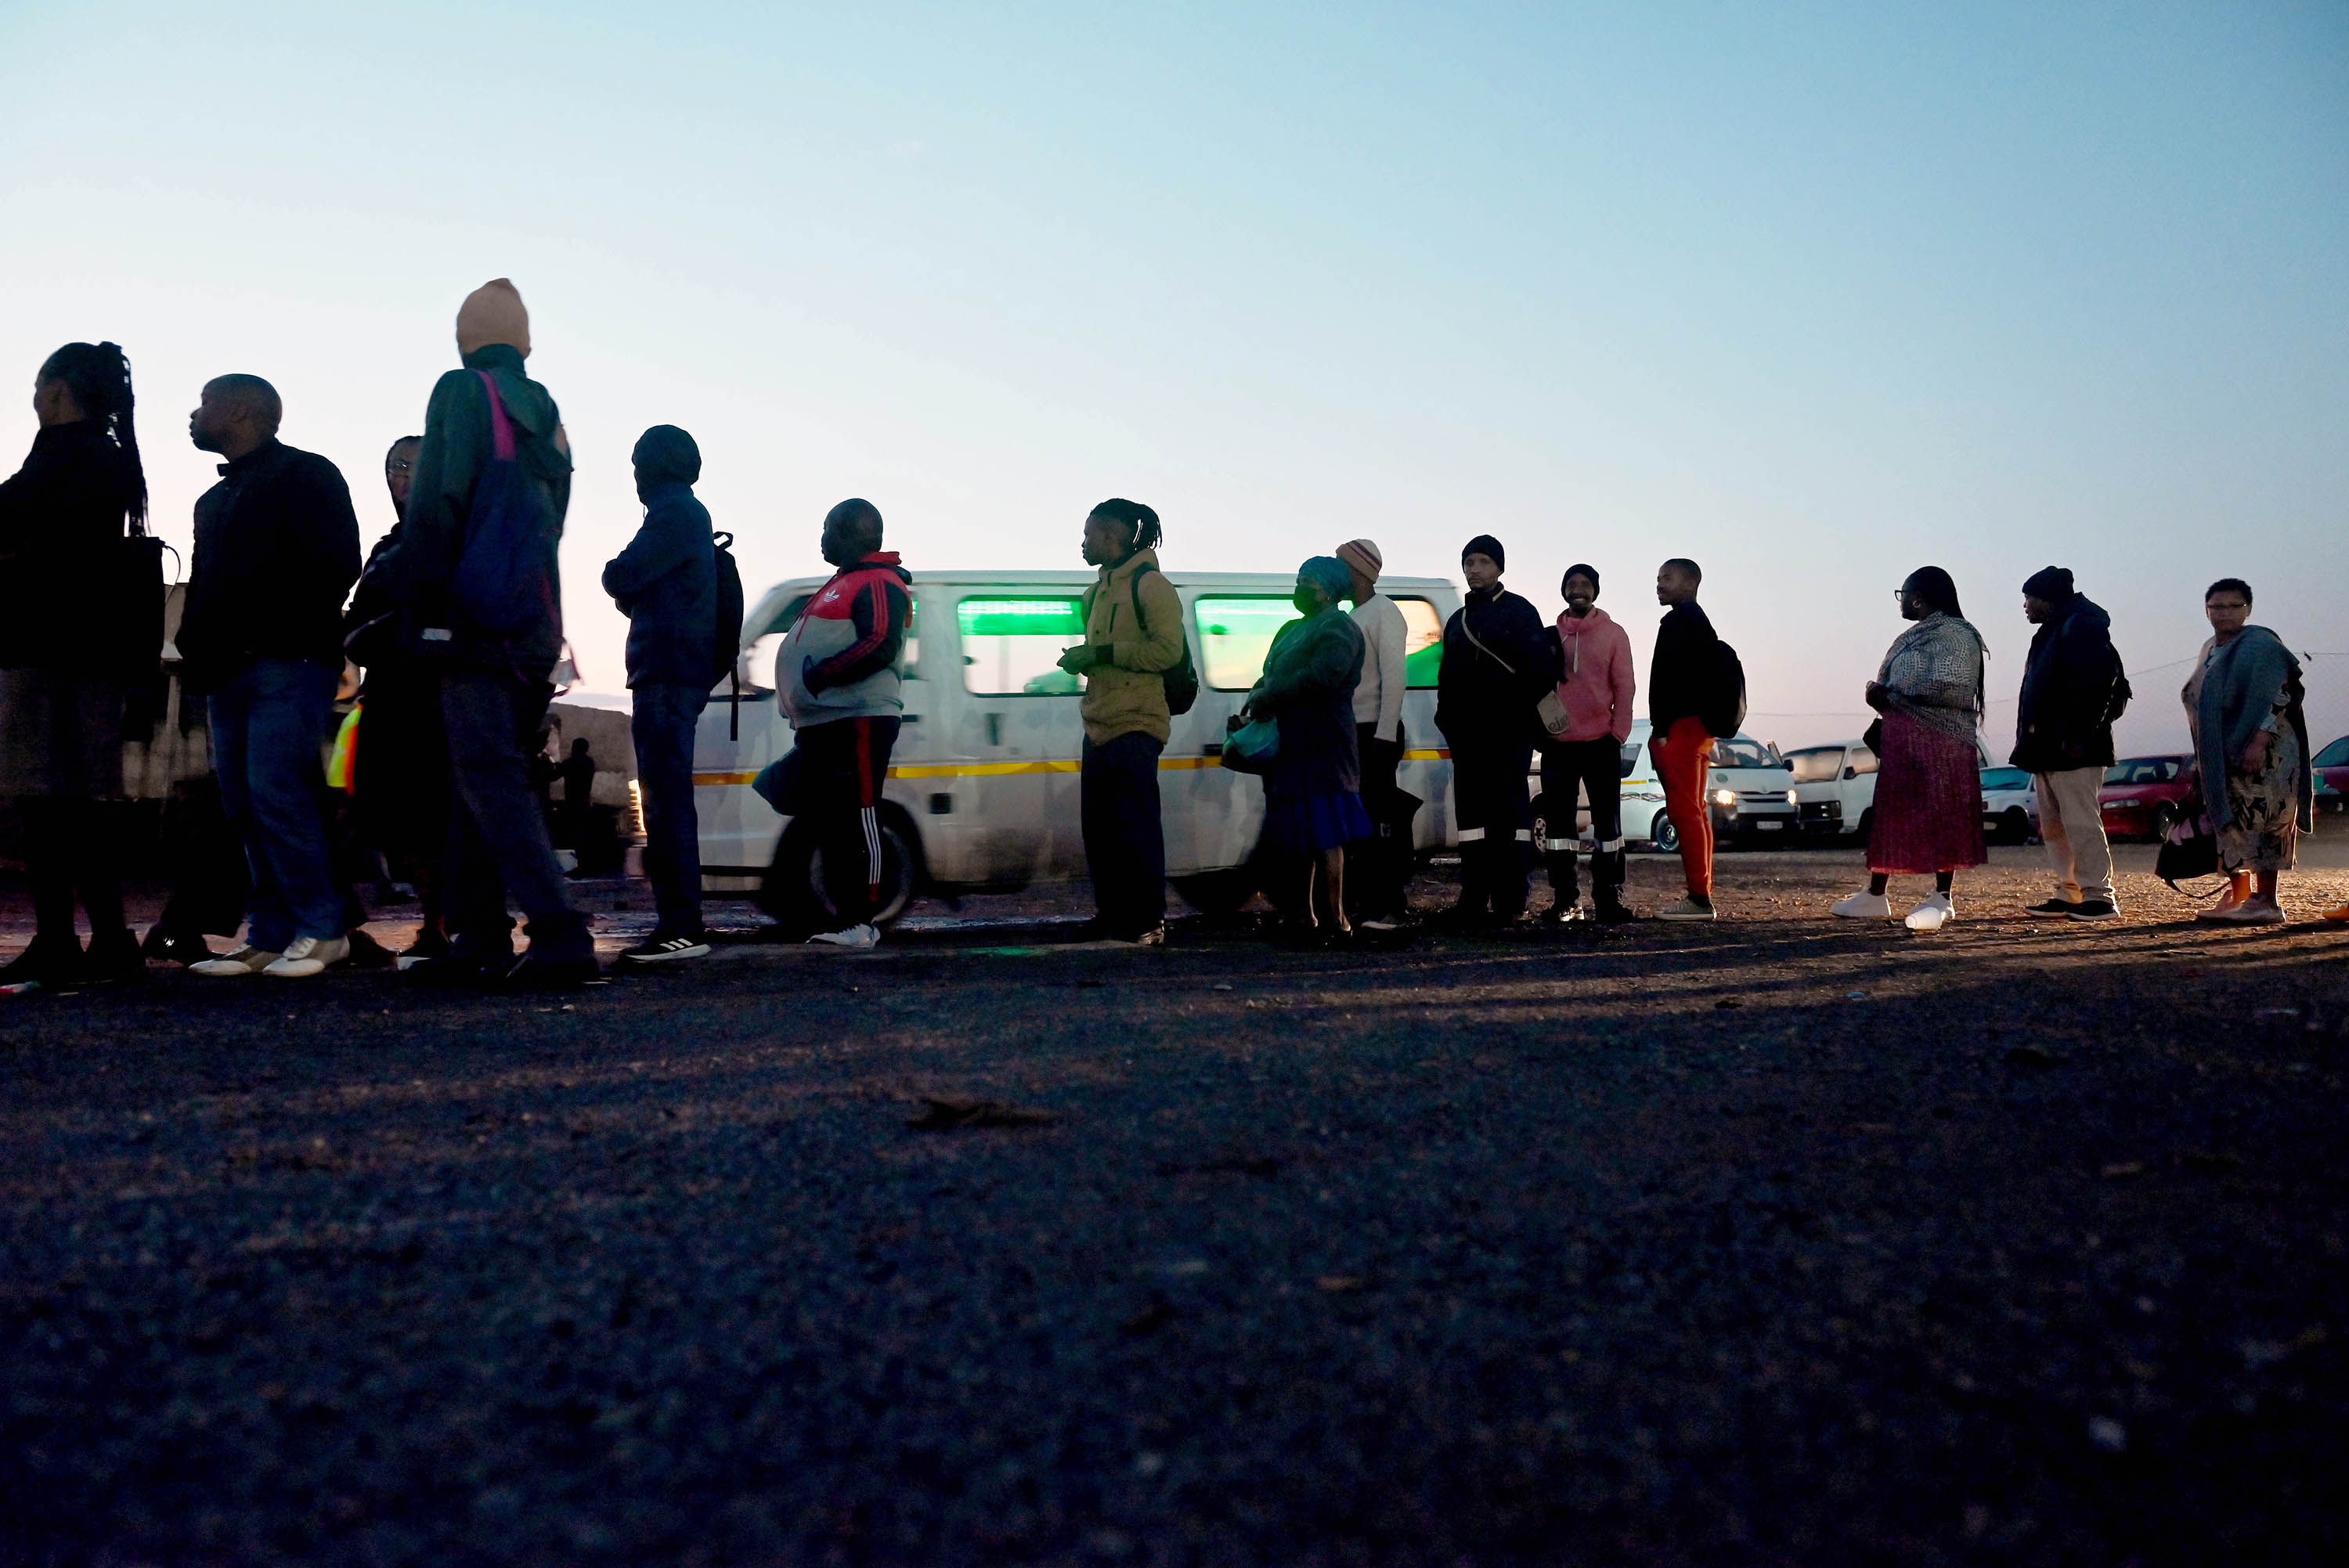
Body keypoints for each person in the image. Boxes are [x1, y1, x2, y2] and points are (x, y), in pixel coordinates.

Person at [377, 277, 597, 986]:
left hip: (470, 617)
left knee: (488, 776)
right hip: (534, 621)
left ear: (465, 340)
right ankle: (480, 936)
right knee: (482, 775)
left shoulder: (462, 391)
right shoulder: (548, 414)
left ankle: (559, 933)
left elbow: (439, 501)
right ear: (525, 342)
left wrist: (413, 596)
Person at [175, 373, 362, 979]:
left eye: (204, 404)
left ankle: (320, 927)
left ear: (239, 410)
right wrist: (197, 644)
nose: (194, 415)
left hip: (287, 660)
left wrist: (276, 631)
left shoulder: (307, 475)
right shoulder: (216, 498)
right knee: (246, 801)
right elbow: (206, 584)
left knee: (277, 790)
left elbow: (339, 563)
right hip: (229, 668)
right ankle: (272, 931)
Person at [0, 342, 149, 989]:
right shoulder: (109, 458)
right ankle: (107, 940)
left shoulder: (64, 457)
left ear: (58, 391)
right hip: (88, 651)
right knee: (78, 801)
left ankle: (64, 940)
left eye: (38, 389)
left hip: (45, 647)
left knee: (45, 799)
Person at [774, 498, 912, 948]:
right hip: (827, 721)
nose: (822, 538)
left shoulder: (877, 580)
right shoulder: (843, 582)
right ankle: (845, 919)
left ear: (855, 534)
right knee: (834, 821)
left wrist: (821, 674)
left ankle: (863, 923)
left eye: (829, 529)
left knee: (861, 815)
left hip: (859, 717)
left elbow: (879, 642)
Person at [603, 424, 718, 962]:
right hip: (675, 674)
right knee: (667, 801)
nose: (634, 476)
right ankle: (680, 923)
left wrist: (622, 575)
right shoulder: (683, 517)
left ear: (656, 466)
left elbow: (622, 575)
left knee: (666, 803)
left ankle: (681, 927)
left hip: (667, 674)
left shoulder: (674, 515)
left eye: (636, 464)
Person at [345, 434, 454, 961]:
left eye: (413, 465)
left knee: (434, 812)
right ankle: (435, 920)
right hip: (387, 691)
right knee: (383, 811)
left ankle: (445, 921)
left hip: (437, 696)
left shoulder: (455, 535)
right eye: (393, 466)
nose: (401, 476)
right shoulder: (387, 547)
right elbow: (358, 613)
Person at [1831, 568, 1987, 932]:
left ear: (1918, 597)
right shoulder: (1915, 635)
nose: (1900, 600)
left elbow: (1951, 685)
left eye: (1903, 593)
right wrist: (1883, 694)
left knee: (1943, 815)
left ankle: (1943, 898)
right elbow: (1899, 682)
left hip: (1943, 740)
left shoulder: (1959, 636)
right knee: (1894, 815)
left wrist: (1891, 691)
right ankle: (1875, 895)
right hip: (1903, 740)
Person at [1059, 497, 1184, 945]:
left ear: (1113, 538)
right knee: (1101, 831)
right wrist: (1084, 661)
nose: (1083, 542)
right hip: (1098, 723)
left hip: (1137, 725)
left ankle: (1148, 919)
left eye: (1090, 534)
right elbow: (1105, 656)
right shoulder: (1094, 592)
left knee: (1136, 829)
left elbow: (1167, 652)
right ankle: (1112, 914)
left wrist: (1103, 655)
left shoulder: (1152, 586)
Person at [1244, 557, 1369, 941]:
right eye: (1299, 580)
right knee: (1297, 836)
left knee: (1326, 834)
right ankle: (1301, 916)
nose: (1301, 588)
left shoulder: (1341, 628)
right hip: (1292, 743)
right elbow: (1270, 671)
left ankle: (1336, 919)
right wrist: (1259, 692)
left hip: (1324, 744)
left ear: (1330, 590)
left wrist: (1270, 693)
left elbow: (1323, 677)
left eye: (1309, 582)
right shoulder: (1291, 628)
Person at [1434, 534, 1553, 925]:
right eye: (1468, 562)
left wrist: (1520, 727)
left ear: (1500, 567)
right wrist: (1448, 724)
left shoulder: (1520, 612)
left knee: (1511, 820)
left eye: (1483, 562)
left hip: (1509, 738)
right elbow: (1446, 681)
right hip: (1467, 739)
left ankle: (1512, 900)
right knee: (1470, 822)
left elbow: (1540, 673)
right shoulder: (1457, 621)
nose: (1474, 570)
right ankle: (1473, 898)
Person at [2183, 579, 2308, 926]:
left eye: (2233, 606)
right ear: (2206, 610)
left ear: (2248, 609)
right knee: (2232, 822)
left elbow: (2280, 694)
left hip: (2267, 753)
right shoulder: (2211, 647)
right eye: (2217, 607)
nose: (2224, 613)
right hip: (2223, 753)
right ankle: (2239, 895)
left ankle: (2267, 900)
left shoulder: (2260, 644)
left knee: (2266, 820)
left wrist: (2258, 740)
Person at [2012, 566, 2123, 921]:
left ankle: (2098, 897)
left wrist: (2078, 736)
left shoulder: (2082, 625)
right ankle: (2070, 892)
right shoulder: (2055, 630)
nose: (2026, 606)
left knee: (2081, 823)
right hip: (2049, 747)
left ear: (2048, 599)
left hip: (2074, 747)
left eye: (2030, 598)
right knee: (2056, 826)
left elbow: (2097, 685)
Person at [1539, 564, 1636, 925]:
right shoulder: (1549, 637)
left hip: (1601, 744)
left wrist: (1618, 735)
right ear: (1563, 590)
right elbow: (1538, 687)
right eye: (1571, 584)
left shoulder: (1614, 634)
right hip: (1558, 745)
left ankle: (1608, 899)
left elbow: (1625, 688)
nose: (1578, 589)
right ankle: (1566, 900)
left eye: (1585, 584)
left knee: (1608, 828)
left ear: (1596, 591)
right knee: (1559, 831)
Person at [1338, 538, 1409, 929]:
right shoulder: (1355, 614)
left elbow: (1394, 678)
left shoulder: (1384, 613)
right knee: (1359, 824)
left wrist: (1384, 735)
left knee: (1379, 824)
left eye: (1341, 565)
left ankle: (1390, 907)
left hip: (1375, 733)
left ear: (1359, 572)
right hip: (1355, 732)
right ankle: (1367, 904)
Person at [1647, 557, 1720, 921]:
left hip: (1680, 729)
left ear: (1690, 582)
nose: (1659, 584)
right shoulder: (1699, 622)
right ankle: (1701, 893)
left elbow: (1668, 681)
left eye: (1667, 577)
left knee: (1684, 812)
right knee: (1696, 811)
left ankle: (1698, 899)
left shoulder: (1679, 621)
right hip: (1698, 730)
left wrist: (1660, 730)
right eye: (1658, 577)